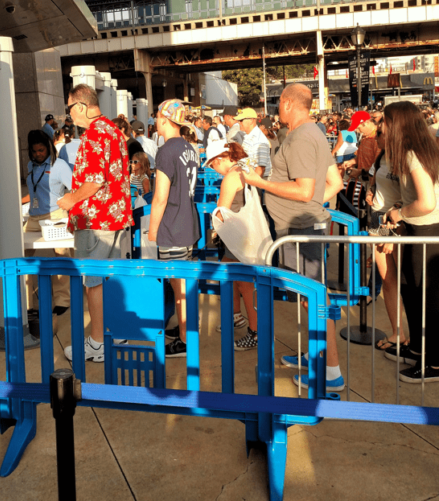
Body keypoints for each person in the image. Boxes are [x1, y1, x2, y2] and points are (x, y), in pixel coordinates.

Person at [242, 84, 345, 392]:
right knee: (308, 297)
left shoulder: (301, 136)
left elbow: (303, 190)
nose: (276, 109)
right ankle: (318, 356)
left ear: (287, 103)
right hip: (302, 228)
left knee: (313, 297)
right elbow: (335, 183)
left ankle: (331, 371)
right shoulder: (313, 132)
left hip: (299, 231)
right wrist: (313, 206)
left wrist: (260, 182)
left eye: (278, 103)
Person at [58, 83, 132, 364]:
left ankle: (98, 342)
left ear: (80, 106)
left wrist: (71, 200)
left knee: (94, 281)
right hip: (115, 217)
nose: (70, 116)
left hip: (96, 220)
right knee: (110, 277)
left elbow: (94, 179)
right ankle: (114, 332)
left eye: (70, 109)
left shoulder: (94, 135)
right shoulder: (113, 131)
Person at [382, 101, 439, 383]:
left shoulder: (414, 154)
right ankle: (418, 348)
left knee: (426, 296)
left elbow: (427, 202)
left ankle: (434, 362)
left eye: (386, 121)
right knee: (412, 291)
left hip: (427, 231)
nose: (382, 126)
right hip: (419, 230)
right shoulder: (417, 152)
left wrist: (398, 212)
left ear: (398, 124)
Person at [148, 99, 200, 358]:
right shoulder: (190, 148)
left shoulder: (166, 151)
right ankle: (184, 329)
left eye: (157, 117)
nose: (155, 121)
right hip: (188, 223)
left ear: (165, 120)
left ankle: (185, 340)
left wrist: (151, 230)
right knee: (183, 283)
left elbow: (160, 197)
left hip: (172, 226)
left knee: (179, 288)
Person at [205, 139, 258, 349]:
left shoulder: (231, 177)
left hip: (238, 237)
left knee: (245, 285)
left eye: (212, 164)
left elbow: (221, 212)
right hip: (245, 233)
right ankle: (235, 315)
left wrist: (213, 230)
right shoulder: (245, 168)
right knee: (229, 274)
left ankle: (256, 332)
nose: (212, 169)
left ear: (220, 159)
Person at [21, 130, 73, 316]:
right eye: (34, 151)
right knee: (22, 258)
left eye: (41, 150)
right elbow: (36, 190)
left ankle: (63, 300)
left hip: (56, 215)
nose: (38, 154)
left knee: (61, 257)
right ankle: (25, 301)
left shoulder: (59, 165)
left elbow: (74, 189)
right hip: (34, 217)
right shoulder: (30, 165)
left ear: (49, 147)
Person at [365, 120, 406, 350]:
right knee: (388, 280)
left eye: (380, 133)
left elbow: (410, 196)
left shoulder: (405, 160)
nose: (376, 136)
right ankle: (397, 333)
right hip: (378, 218)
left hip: (395, 223)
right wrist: (371, 190)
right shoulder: (381, 157)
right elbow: (374, 179)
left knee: (401, 281)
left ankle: (407, 335)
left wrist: (391, 229)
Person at [233, 108, 271, 179]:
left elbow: (260, 169)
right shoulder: (248, 136)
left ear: (251, 120)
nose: (239, 123)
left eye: (241, 120)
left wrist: (252, 185)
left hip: (256, 183)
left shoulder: (259, 140)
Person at [346, 111, 380, 181]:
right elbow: (362, 158)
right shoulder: (365, 137)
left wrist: (360, 171)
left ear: (367, 123)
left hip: (373, 181)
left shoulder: (377, 139)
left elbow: (378, 165)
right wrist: (352, 162)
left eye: (359, 128)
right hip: (363, 179)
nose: (358, 131)